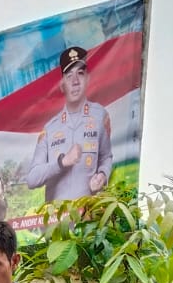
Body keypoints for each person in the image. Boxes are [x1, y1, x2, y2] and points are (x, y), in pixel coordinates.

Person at [25, 45, 113, 204]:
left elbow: (106, 157)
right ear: (62, 85)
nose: (75, 81)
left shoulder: (100, 116)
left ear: (88, 79)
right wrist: (62, 162)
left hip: (88, 214)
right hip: (56, 217)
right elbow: (32, 179)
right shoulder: (50, 129)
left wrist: (102, 175)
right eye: (69, 76)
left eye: (80, 73)